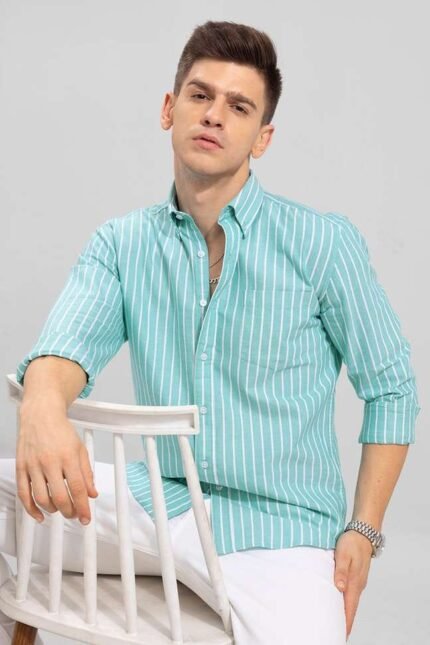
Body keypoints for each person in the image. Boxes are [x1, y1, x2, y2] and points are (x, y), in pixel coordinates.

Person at [0, 19, 421, 645]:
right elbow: (65, 348)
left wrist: (363, 530)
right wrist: (40, 405)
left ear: (262, 137)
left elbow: (392, 389)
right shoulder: (122, 244)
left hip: (278, 533)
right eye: (200, 95)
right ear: (169, 109)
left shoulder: (322, 244)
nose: (214, 115)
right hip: (156, 502)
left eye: (239, 106)